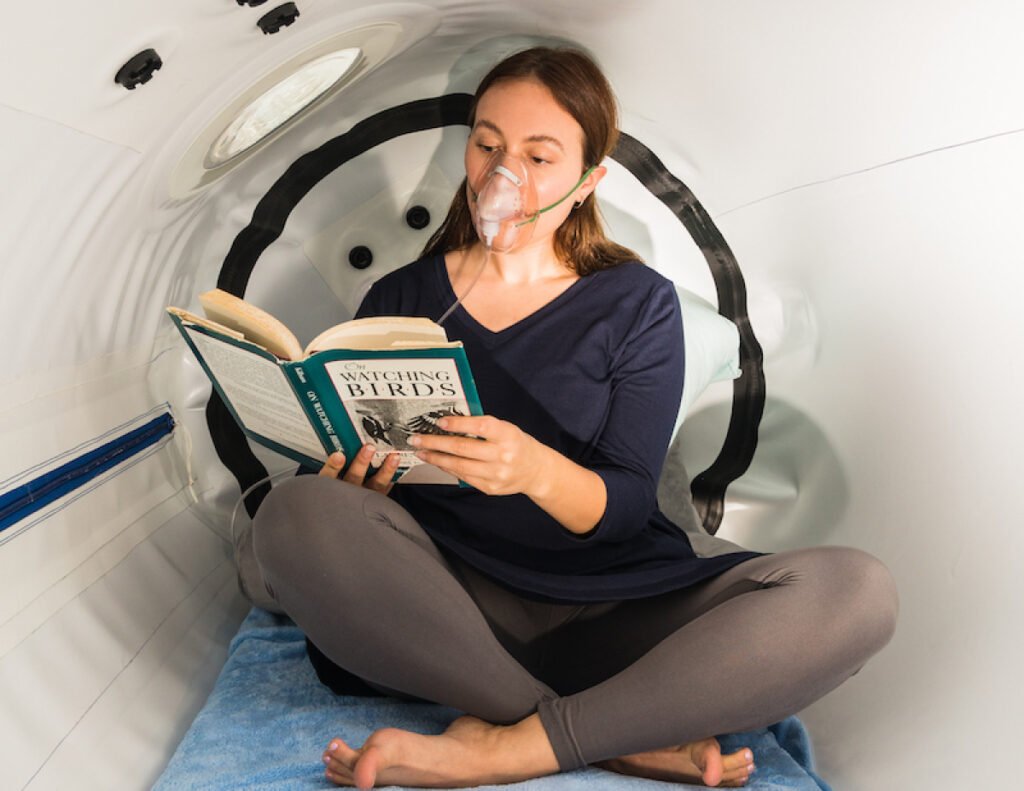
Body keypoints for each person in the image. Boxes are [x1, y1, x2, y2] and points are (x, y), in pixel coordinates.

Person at [246, 47, 898, 789]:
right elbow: (349, 502)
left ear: (588, 182)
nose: (503, 176)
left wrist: (532, 469)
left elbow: (626, 507)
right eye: (487, 145)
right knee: (293, 512)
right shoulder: (401, 295)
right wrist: (353, 482)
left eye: (538, 156)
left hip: (616, 612)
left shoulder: (638, 304)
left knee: (857, 592)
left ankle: (510, 743)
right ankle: (604, 733)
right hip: (453, 614)